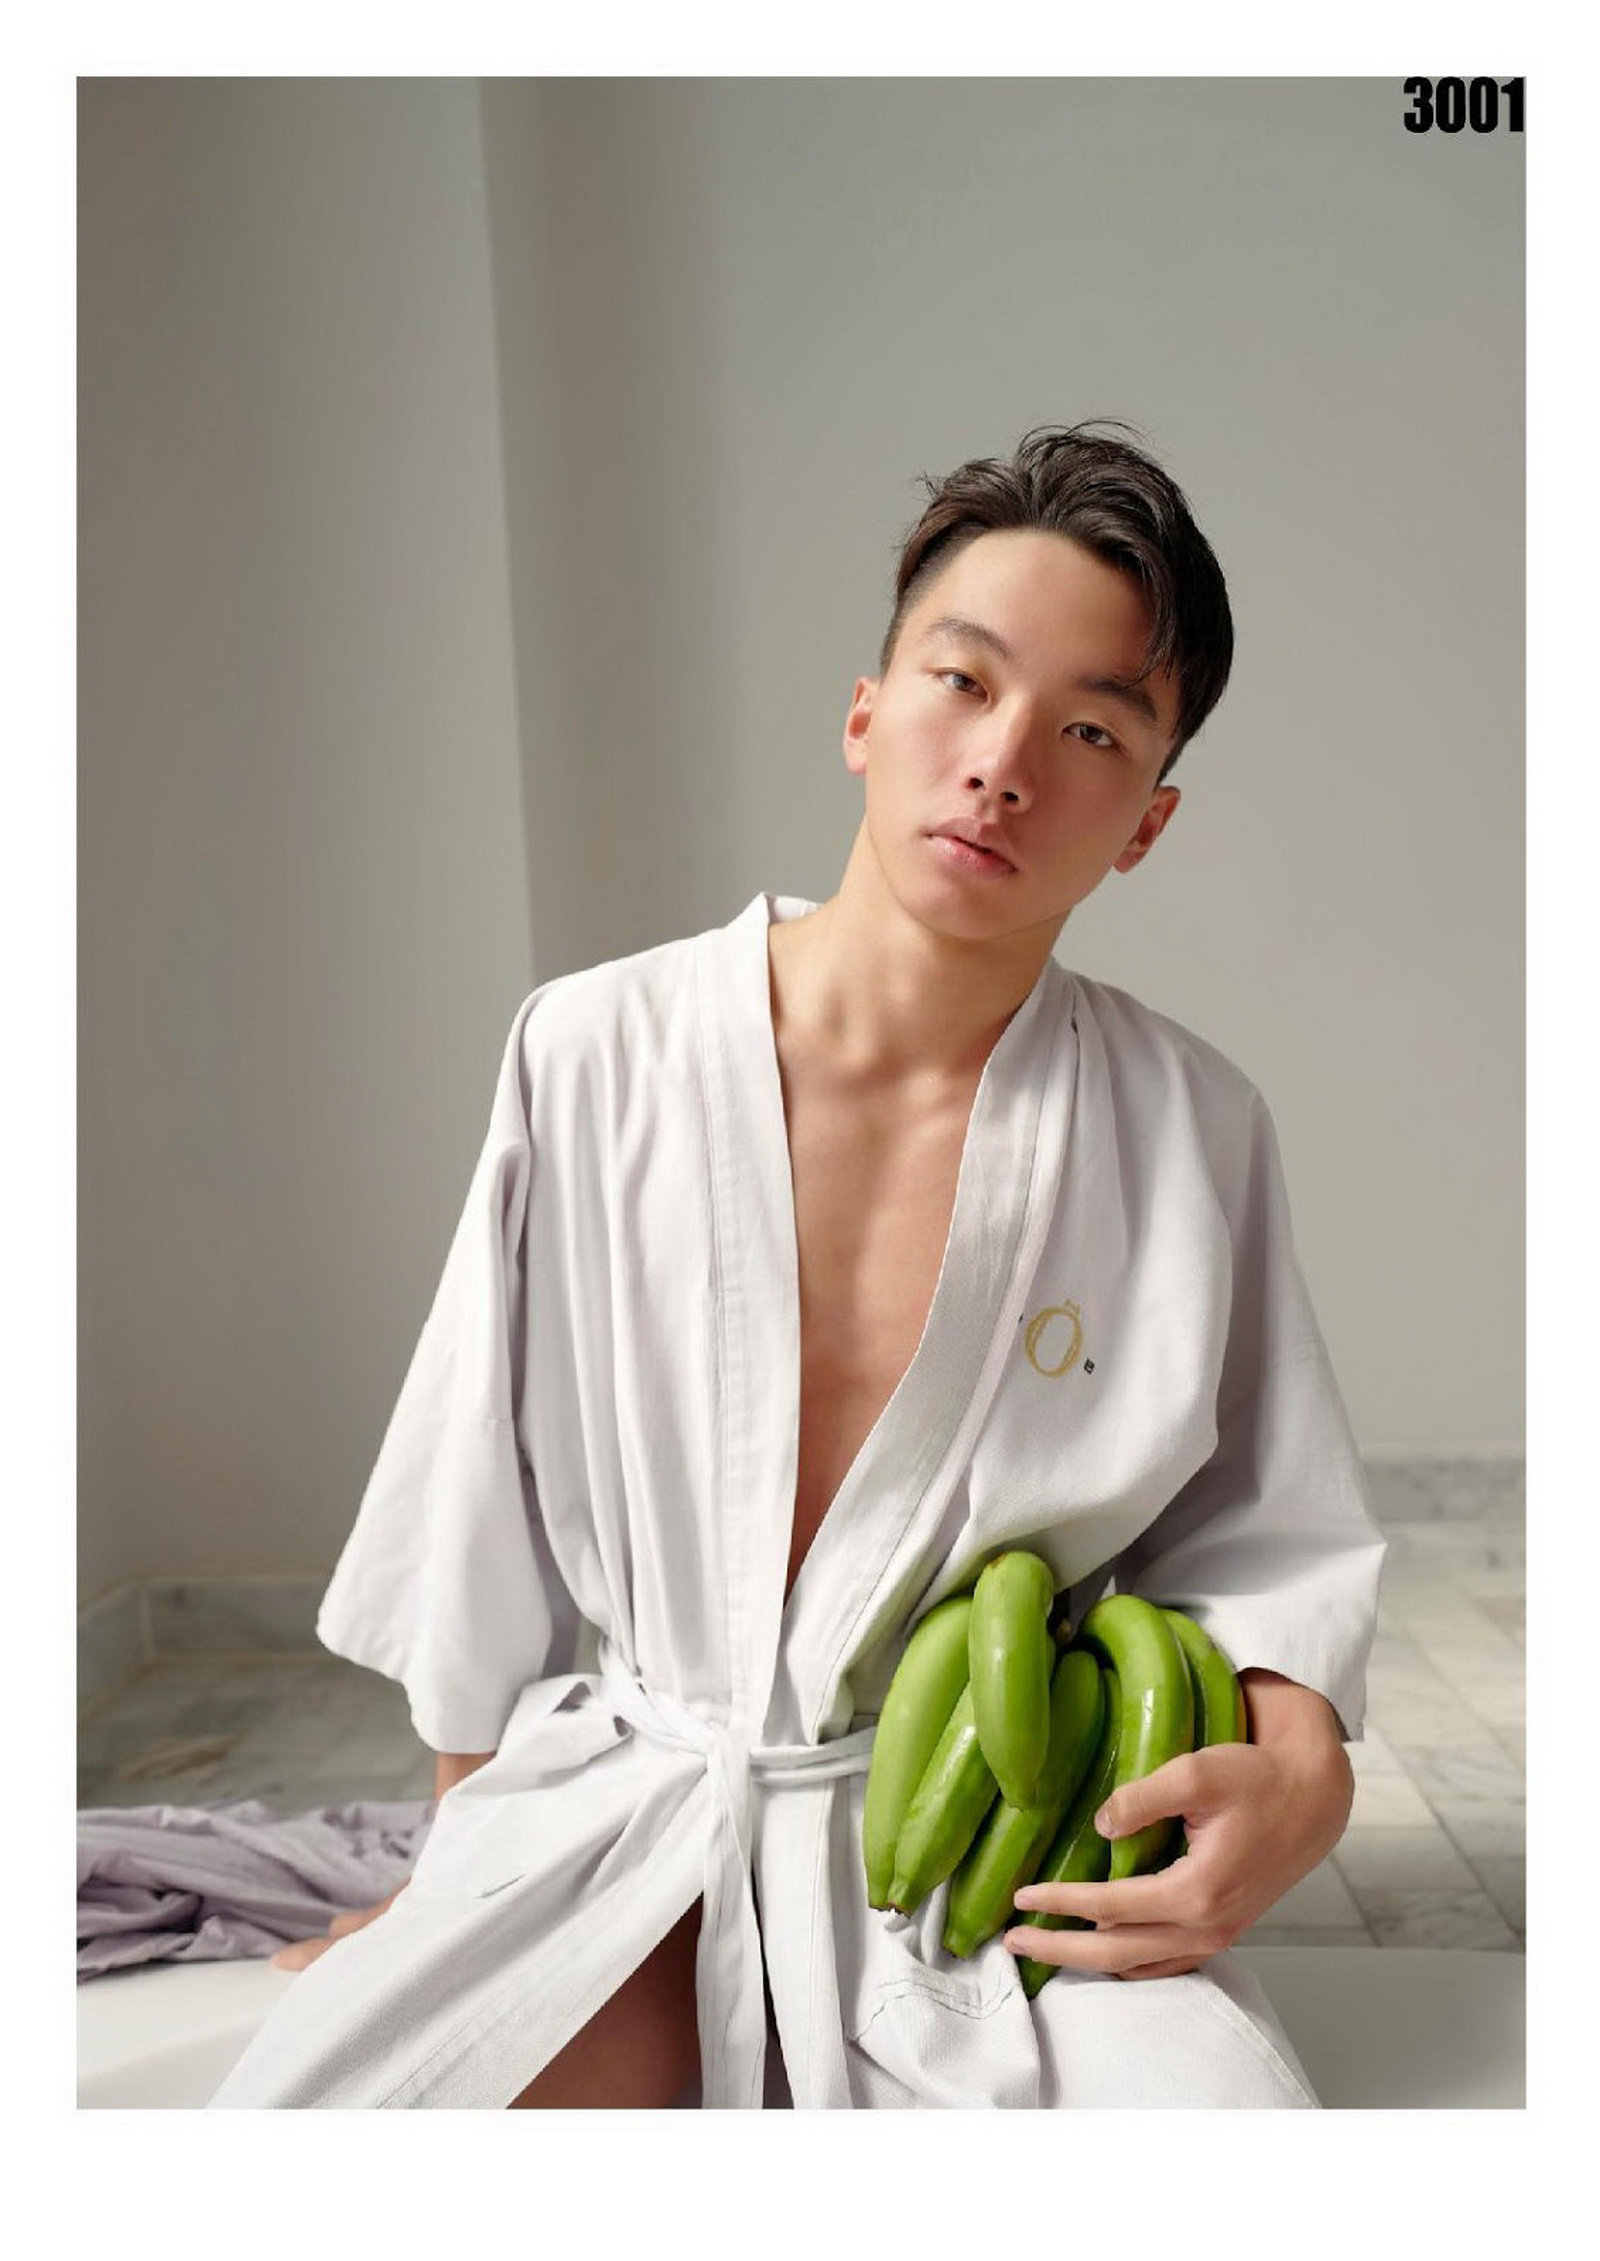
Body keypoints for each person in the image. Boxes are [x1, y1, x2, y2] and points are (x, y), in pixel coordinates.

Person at [211, 421, 1385, 2109]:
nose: (1002, 764)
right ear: (864, 713)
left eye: (1090, 730)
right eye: (961, 683)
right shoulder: (595, 1050)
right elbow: (476, 1501)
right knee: (335, 2131)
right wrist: (455, 1883)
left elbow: (1274, 1532)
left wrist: (1307, 1775)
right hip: (637, 1799)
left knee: (1234, 2143)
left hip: (979, 1849)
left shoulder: (1192, 1125)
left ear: (1147, 820)